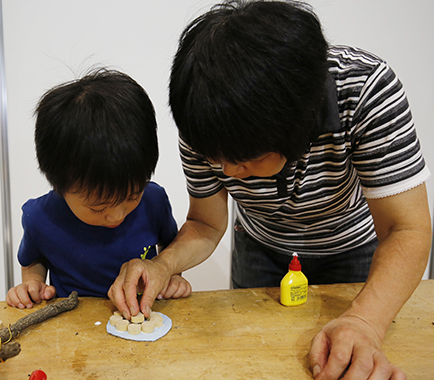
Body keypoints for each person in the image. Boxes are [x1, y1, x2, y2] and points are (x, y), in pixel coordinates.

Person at [108, 1, 432, 380]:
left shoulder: (364, 90)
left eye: (245, 161)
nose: (226, 172)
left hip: (355, 251)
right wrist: (162, 265)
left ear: (301, 130)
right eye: (216, 159)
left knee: (351, 359)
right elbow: (206, 224)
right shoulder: (205, 117)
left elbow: (406, 229)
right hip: (261, 248)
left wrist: (365, 321)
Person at [6, 69, 191, 309]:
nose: (117, 215)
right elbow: (33, 260)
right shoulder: (40, 218)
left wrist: (173, 277)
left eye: (131, 196)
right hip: (71, 323)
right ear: (60, 186)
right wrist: (32, 285)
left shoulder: (153, 201)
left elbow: (171, 248)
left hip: (141, 315)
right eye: (97, 208)